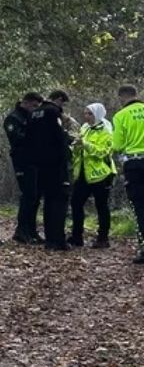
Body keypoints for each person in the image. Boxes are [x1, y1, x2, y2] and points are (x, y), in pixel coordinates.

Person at [25, 90, 74, 251]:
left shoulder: (34, 113)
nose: (62, 107)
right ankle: (58, 239)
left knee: (48, 201)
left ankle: (49, 239)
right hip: (56, 164)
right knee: (59, 201)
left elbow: (29, 137)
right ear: (58, 99)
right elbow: (59, 137)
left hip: (39, 164)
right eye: (63, 103)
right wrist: (68, 148)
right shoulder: (53, 112)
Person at [68, 103, 117, 249]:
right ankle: (77, 236)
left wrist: (86, 145)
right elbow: (79, 150)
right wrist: (75, 146)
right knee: (76, 203)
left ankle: (103, 238)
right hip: (83, 173)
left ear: (97, 115)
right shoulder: (84, 128)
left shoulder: (106, 131)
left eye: (89, 114)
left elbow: (103, 152)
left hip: (101, 174)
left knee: (101, 206)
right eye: (85, 113)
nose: (86, 116)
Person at [5, 92, 45, 244]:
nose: (35, 109)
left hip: (34, 160)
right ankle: (21, 230)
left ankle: (31, 230)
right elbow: (17, 138)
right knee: (28, 195)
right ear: (26, 103)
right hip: (22, 160)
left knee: (35, 196)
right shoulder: (13, 118)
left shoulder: (32, 117)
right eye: (34, 106)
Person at [111, 85, 144, 264]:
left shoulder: (121, 116)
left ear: (121, 98)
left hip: (134, 163)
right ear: (136, 95)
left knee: (140, 207)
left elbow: (117, 145)